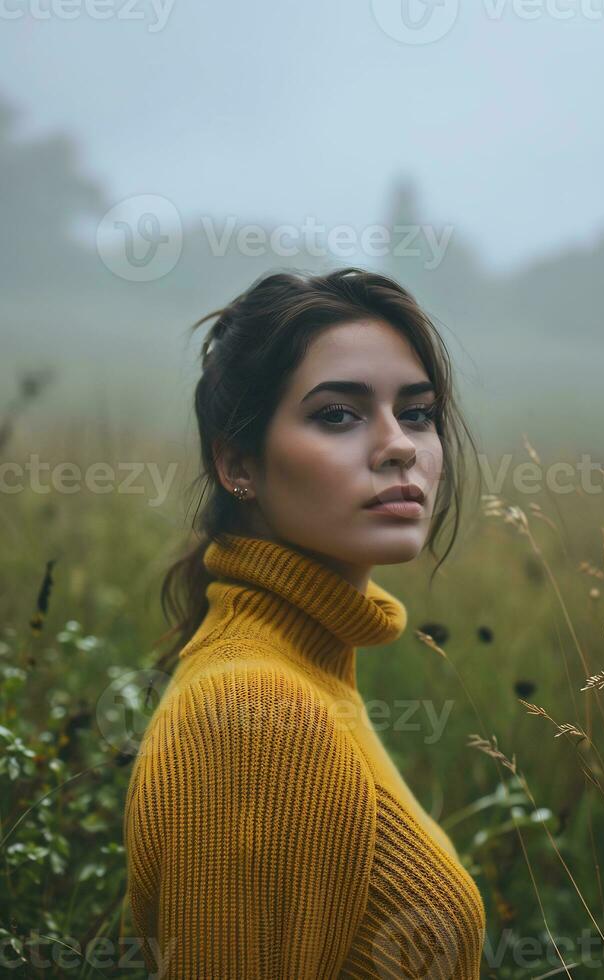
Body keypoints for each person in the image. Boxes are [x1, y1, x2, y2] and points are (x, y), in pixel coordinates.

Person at [122, 266, 486, 978]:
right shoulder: (257, 710)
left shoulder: (304, 673)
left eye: (416, 413)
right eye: (337, 415)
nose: (399, 446)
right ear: (238, 464)